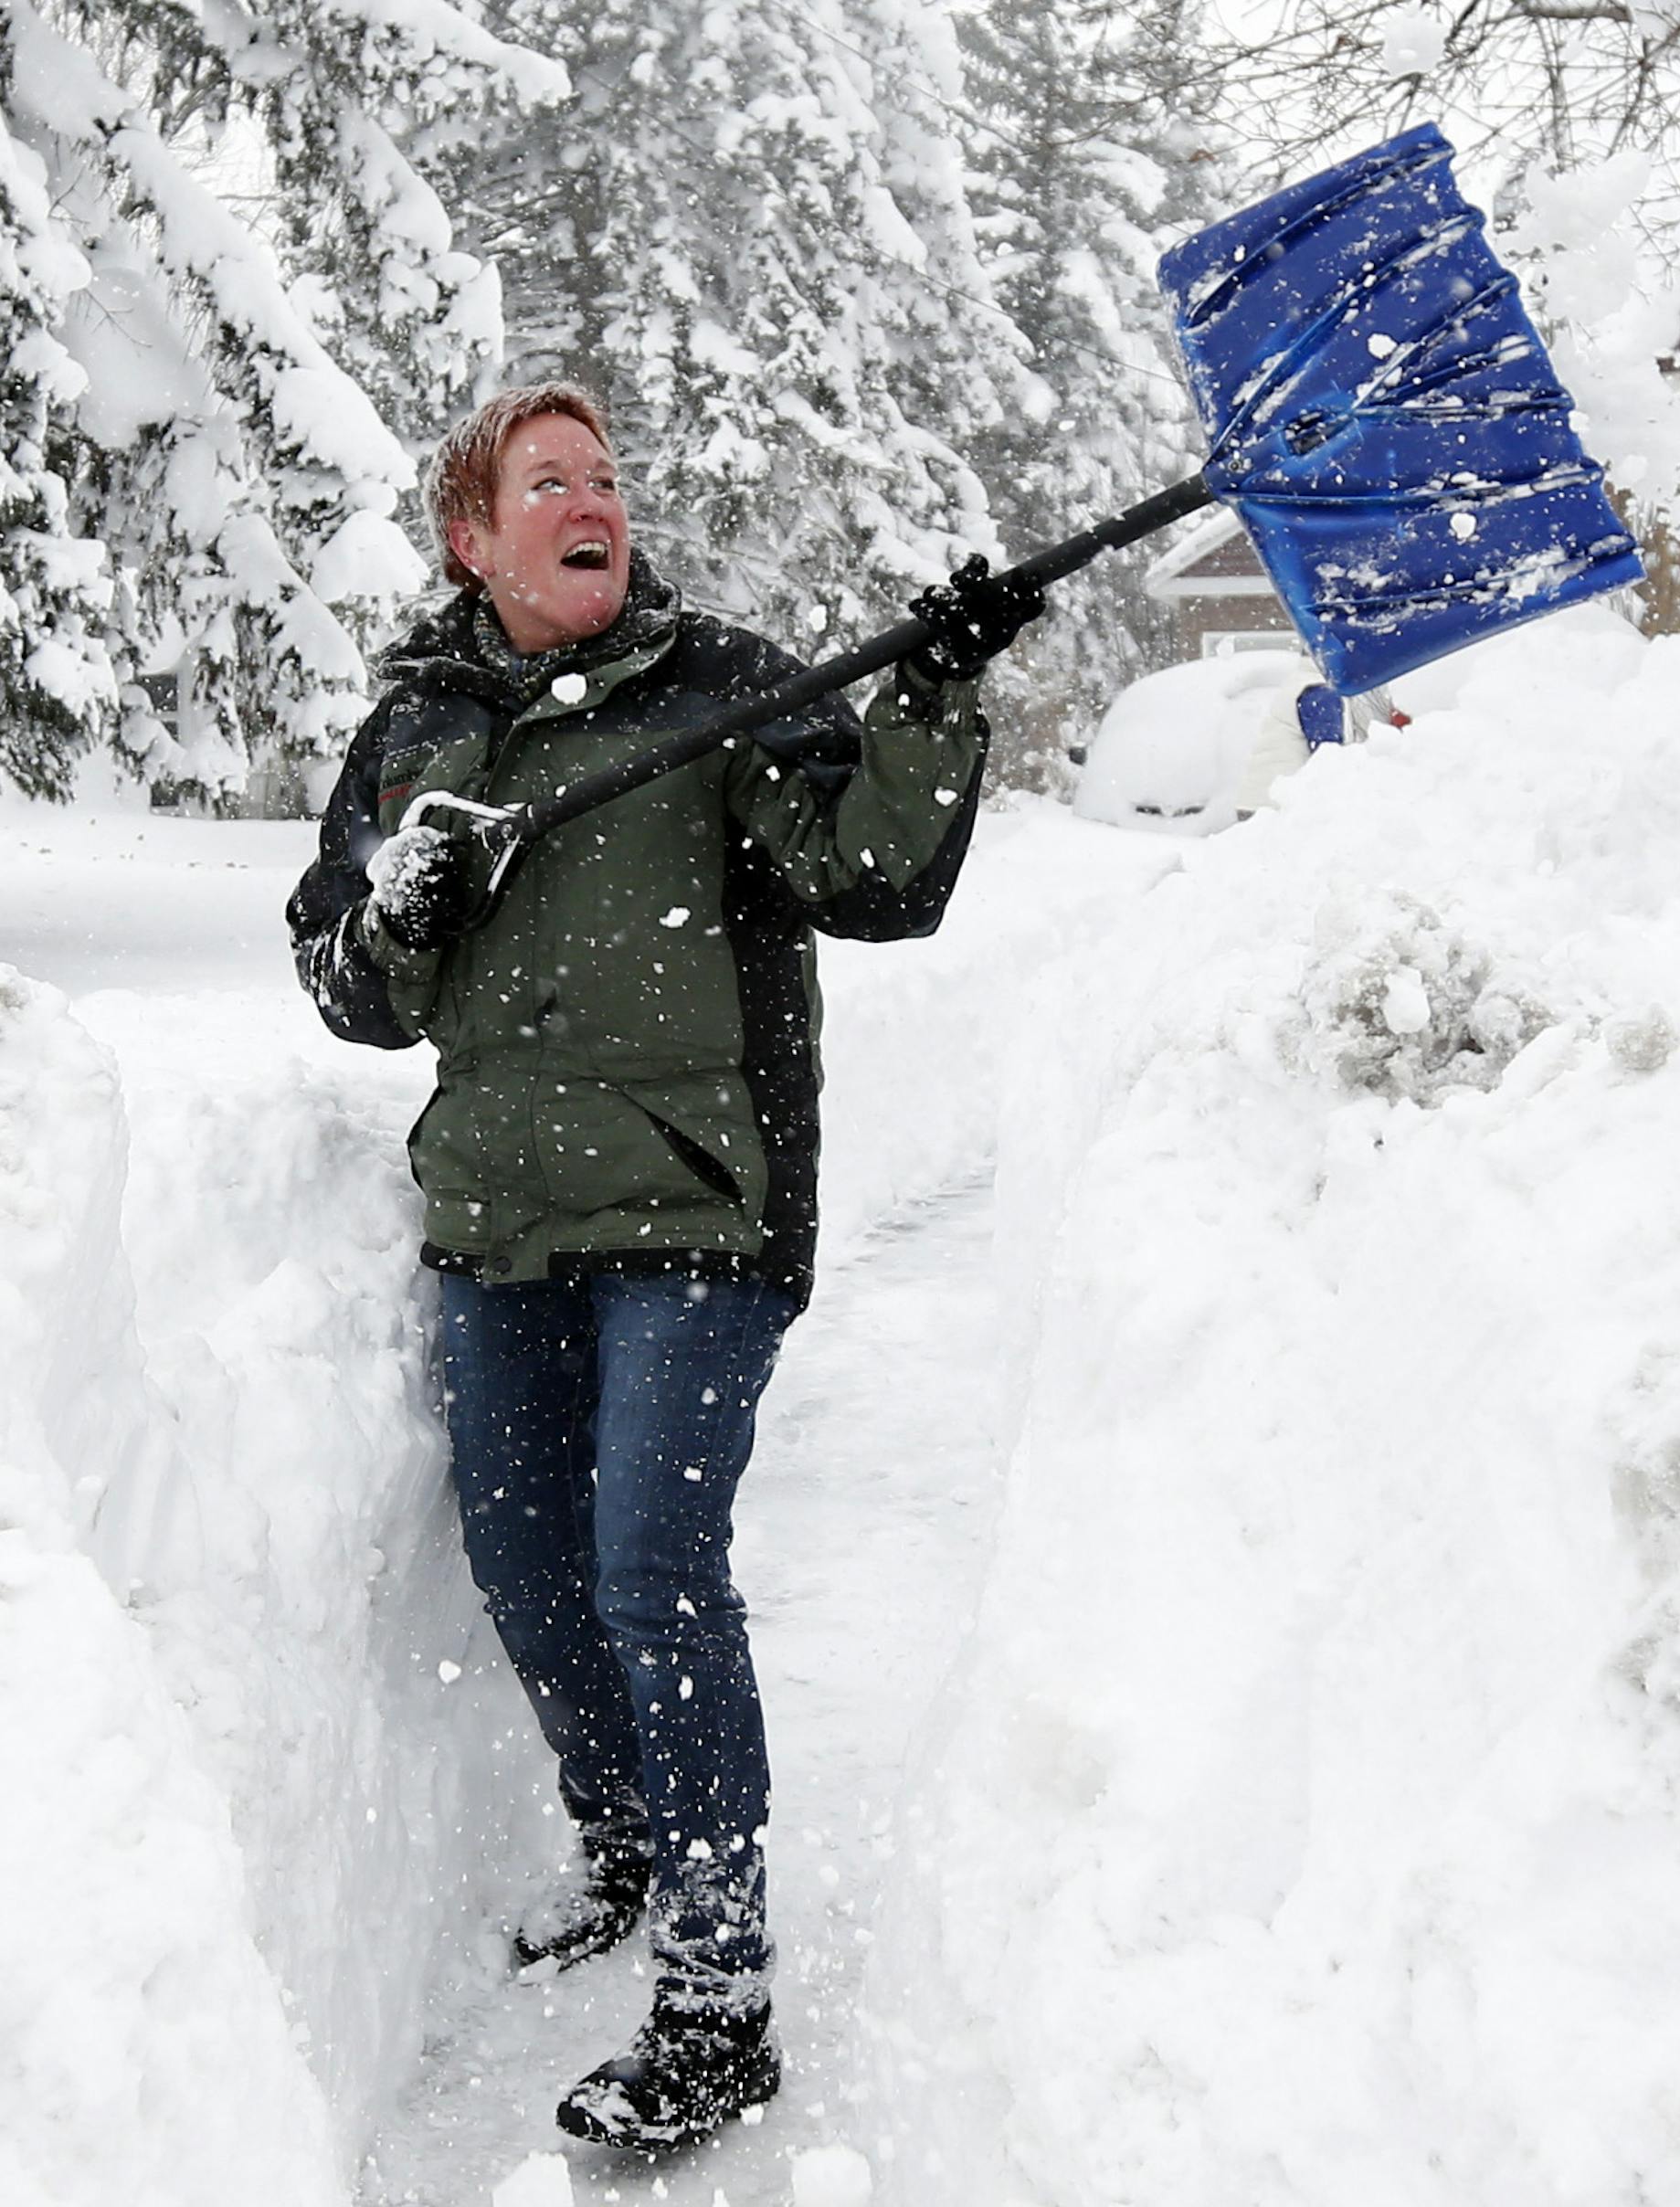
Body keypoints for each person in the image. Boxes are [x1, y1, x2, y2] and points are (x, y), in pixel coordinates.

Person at [286, 383, 1042, 2151]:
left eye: (608, 477)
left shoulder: (721, 685)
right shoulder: (419, 729)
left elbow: (874, 874)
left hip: (699, 1213)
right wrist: (399, 906)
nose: (594, 499)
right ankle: (625, 1824)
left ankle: (718, 1986)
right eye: (551, 480)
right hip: (500, 1222)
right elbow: (344, 985)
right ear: (475, 538)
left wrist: (931, 691)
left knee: (650, 1565)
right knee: (527, 1567)